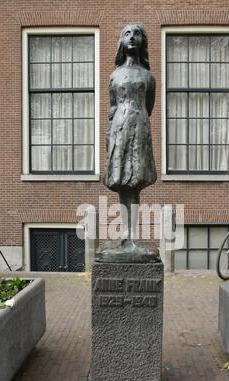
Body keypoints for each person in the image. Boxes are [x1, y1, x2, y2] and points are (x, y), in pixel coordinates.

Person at [104, 24, 157, 242]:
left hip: (140, 127)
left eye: (137, 34)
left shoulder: (148, 77)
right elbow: (112, 106)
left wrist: (137, 120)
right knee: (121, 179)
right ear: (122, 41)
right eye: (127, 33)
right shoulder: (114, 76)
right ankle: (125, 231)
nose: (132, 37)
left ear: (143, 41)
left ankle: (132, 233)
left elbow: (149, 106)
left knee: (135, 180)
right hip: (119, 128)